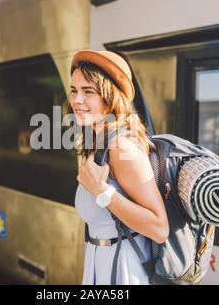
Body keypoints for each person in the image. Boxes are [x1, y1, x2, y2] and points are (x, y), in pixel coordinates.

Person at [69, 50, 169, 285]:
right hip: (101, 262)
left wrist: (102, 192)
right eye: (74, 90)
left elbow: (159, 227)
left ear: (110, 97)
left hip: (124, 270)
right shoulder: (96, 143)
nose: (77, 100)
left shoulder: (122, 147)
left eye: (88, 91)